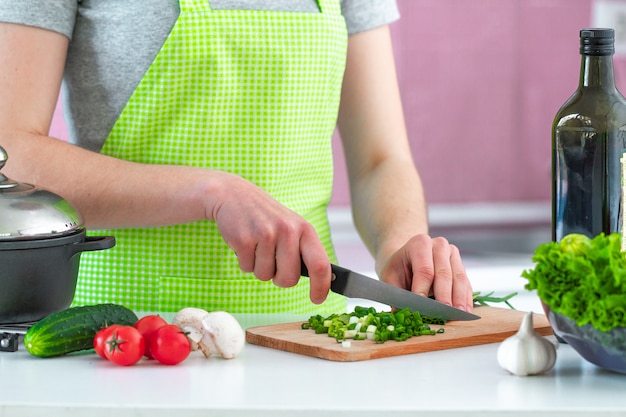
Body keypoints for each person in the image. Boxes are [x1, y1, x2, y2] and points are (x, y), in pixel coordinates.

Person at [0, 0, 474, 314]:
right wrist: (212, 194)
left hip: (308, 334)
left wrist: (402, 243)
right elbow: (10, 153)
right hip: (132, 336)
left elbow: (380, 158)